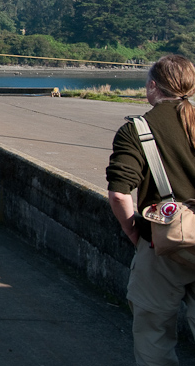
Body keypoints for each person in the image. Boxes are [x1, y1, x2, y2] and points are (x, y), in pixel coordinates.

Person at [107, 55, 195, 366]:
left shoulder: (137, 130)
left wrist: (133, 230)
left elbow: (120, 193)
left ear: (152, 86)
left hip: (162, 245)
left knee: (153, 334)